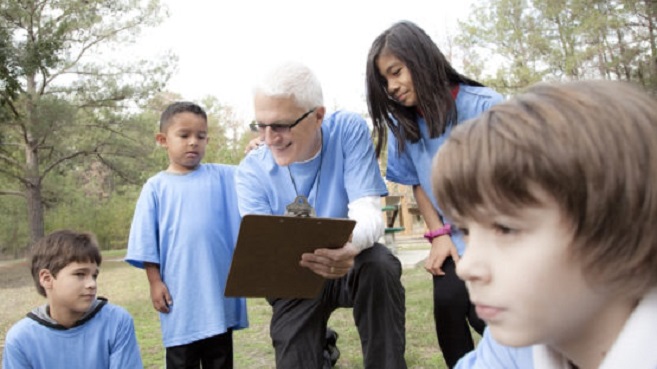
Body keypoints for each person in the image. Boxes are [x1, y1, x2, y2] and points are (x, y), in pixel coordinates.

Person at [430, 80, 657, 369]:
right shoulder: (520, 340)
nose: (465, 268)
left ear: (627, 233)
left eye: (506, 228)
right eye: (465, 230)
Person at [235, 61, 407, 369]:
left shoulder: (347, 131)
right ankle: (317, 347)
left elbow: (368, 213)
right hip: (294, 276)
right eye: (261, 126)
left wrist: (349, 247)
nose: (269, 138)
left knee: (380, 265)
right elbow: (264, 254)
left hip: (352, 261)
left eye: (281, 125)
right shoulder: (251, 171)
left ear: (318, 117)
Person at [365, 20, 504, 368]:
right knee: (449, 313)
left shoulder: (487, 107)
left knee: (487, 315)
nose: (392, 87)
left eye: (396, 72)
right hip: (452, 240)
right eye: (385, 82)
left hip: (498, 239)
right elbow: (416, 181)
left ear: (421, 58)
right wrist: (439, 234)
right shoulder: (405, 127)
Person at [125, 101, 248, 369]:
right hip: (180, 298)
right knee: (182, 361)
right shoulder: (156, 188)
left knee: (221, 359)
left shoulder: (223, 177)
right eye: (184, 135)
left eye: (200, 136)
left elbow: (254, 174)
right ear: (163, 140)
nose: (193, 142)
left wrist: (254, 151)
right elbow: (146, 240)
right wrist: (154, 282)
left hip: (218, 295)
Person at [2, 229, 143, 369]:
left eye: (94, 275)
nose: (92, 284)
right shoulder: (21, 339)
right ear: (46, 279)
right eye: (80, 274)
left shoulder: (116, 322)